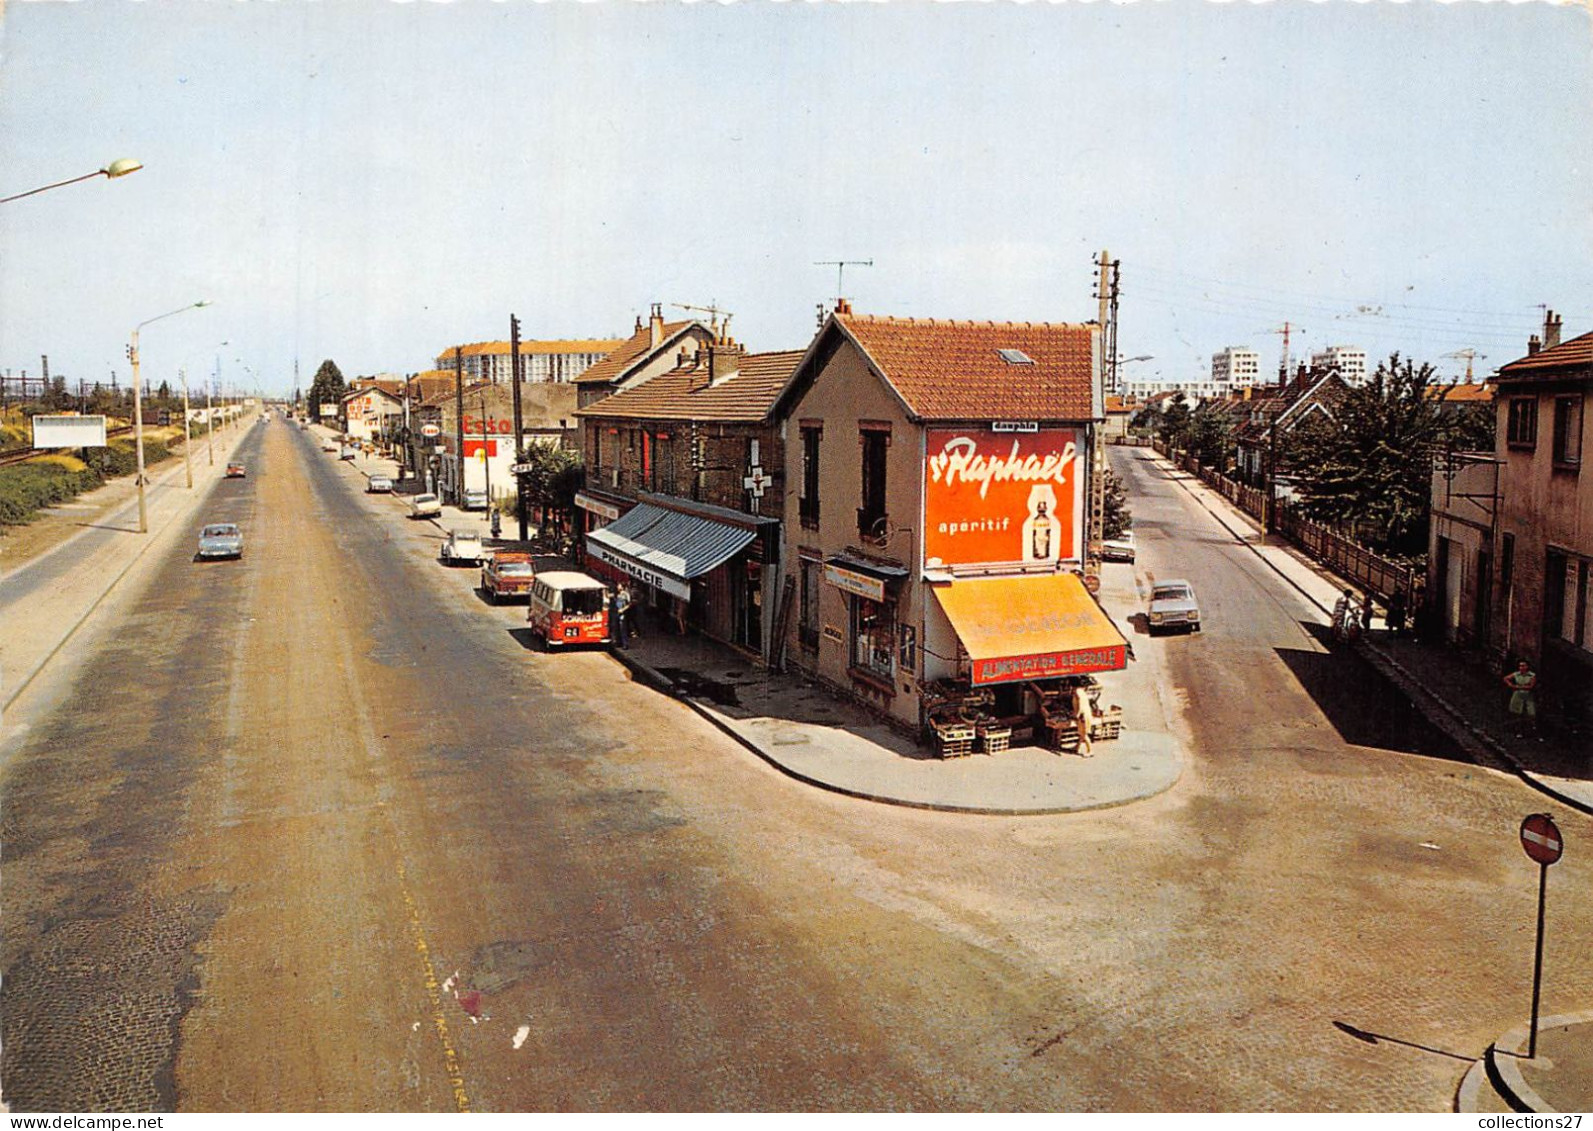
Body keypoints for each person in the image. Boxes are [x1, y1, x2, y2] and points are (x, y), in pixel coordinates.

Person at [1503, 661, 1540, 739]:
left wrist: (1518, 687)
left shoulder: (1531, 675)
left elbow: (1531, 686)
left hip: (1527, 696)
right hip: (1518, 695)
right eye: (1520, 666)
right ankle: (1518, 731)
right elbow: (1506, 678)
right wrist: (1510, 684)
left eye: (1523, 666)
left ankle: (1532, 731)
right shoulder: (1517, 674)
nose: (1522, 668)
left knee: (1531, 713)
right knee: (1516, 712)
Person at [1072, 683, 1096, 758]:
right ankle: (1077, 747)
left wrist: (1077, 714)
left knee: (1084, 734)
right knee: (1081, 732)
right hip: (1087, 713)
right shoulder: (1082, 691)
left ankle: (1090, 750)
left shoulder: (1077, 692)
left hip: (1083, 715)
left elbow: (1080, 703)